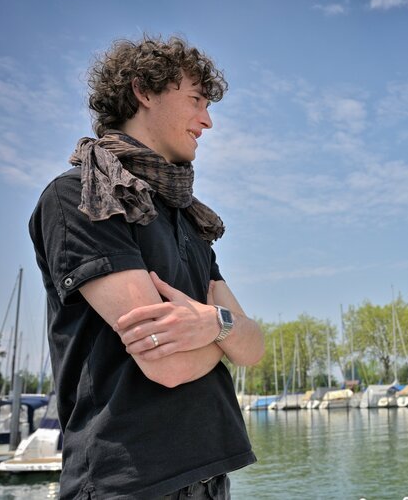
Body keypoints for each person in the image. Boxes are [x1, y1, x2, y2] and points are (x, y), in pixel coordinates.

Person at [29, 35, 265, 499]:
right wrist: (225, 333)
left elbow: (255, 348)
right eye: (195, 100)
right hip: (127, 483)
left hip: (210, 476)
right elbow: (168, 365)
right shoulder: (80, 196)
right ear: (144, 92)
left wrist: (209, 325)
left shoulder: (187, 217)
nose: (208, 121)